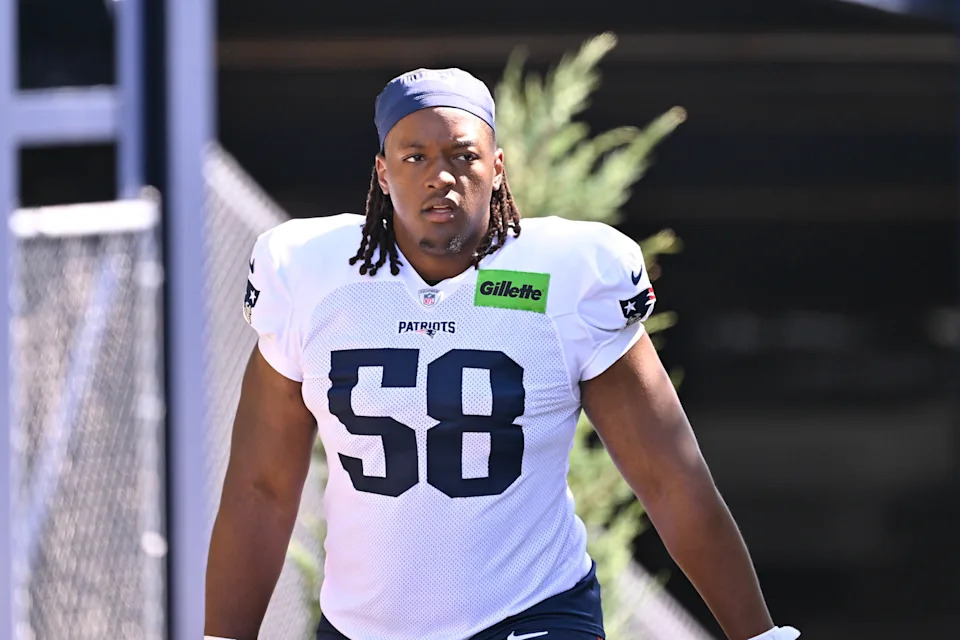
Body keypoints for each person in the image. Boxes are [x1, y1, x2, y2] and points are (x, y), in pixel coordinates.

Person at [205, 68, 800, 640]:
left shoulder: (565, 277)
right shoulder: (309, 275)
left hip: (533, 613)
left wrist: (759, 636)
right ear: (382, 174)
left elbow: (670, 476)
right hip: (366, 626)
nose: (441, 176)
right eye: (415, 157)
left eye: (462, 155)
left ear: (496, 166)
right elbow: (262, 485)